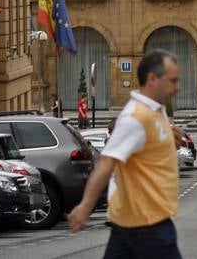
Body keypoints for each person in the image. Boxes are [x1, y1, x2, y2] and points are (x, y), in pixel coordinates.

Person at [68, 48, 183, 258]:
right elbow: (106, 162)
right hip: (149, 222)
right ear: (152, 79)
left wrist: (168, 142)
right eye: (172, 81)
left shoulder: (156, 110)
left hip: (129, 221)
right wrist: (85, 206)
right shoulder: (135, 118)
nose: (177, 87)